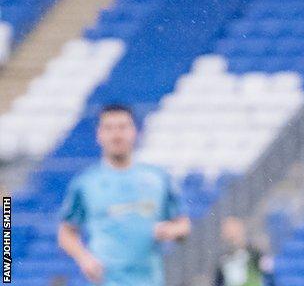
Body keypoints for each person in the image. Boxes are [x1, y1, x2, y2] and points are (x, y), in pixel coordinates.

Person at [58, 104, 190, 286]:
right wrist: (84, 258)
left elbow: (183, 225)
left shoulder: (157, 178)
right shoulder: (86, 183)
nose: (116, 134)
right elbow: (66, 232)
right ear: (99, 135)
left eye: (122, 127)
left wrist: (171, 231)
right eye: (109, 128)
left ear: (135, 132)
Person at [213, 216, 274, 286]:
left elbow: (270, 275)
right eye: (226, 231)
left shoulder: (255, 254)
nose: (230, 235)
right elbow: (218, 282)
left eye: (233, 230)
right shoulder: (223, 260)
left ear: (241, 230)